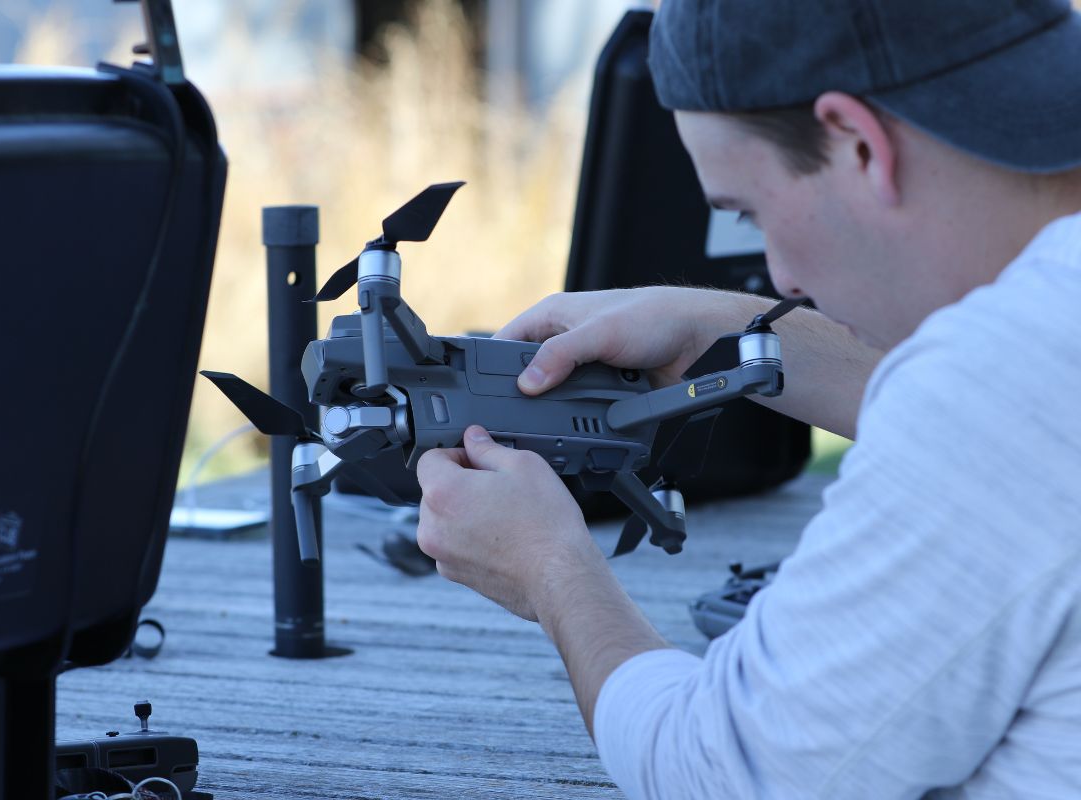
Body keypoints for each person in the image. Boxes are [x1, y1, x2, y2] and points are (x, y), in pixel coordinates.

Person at [413, 0, 1081, 797]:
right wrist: (720, 327)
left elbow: (724, 770)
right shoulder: (1036, 356)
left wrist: (550, 569)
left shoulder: (1002, 384)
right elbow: (1013, 444)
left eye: (749, 212)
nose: (783, 280)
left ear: (858, 142)